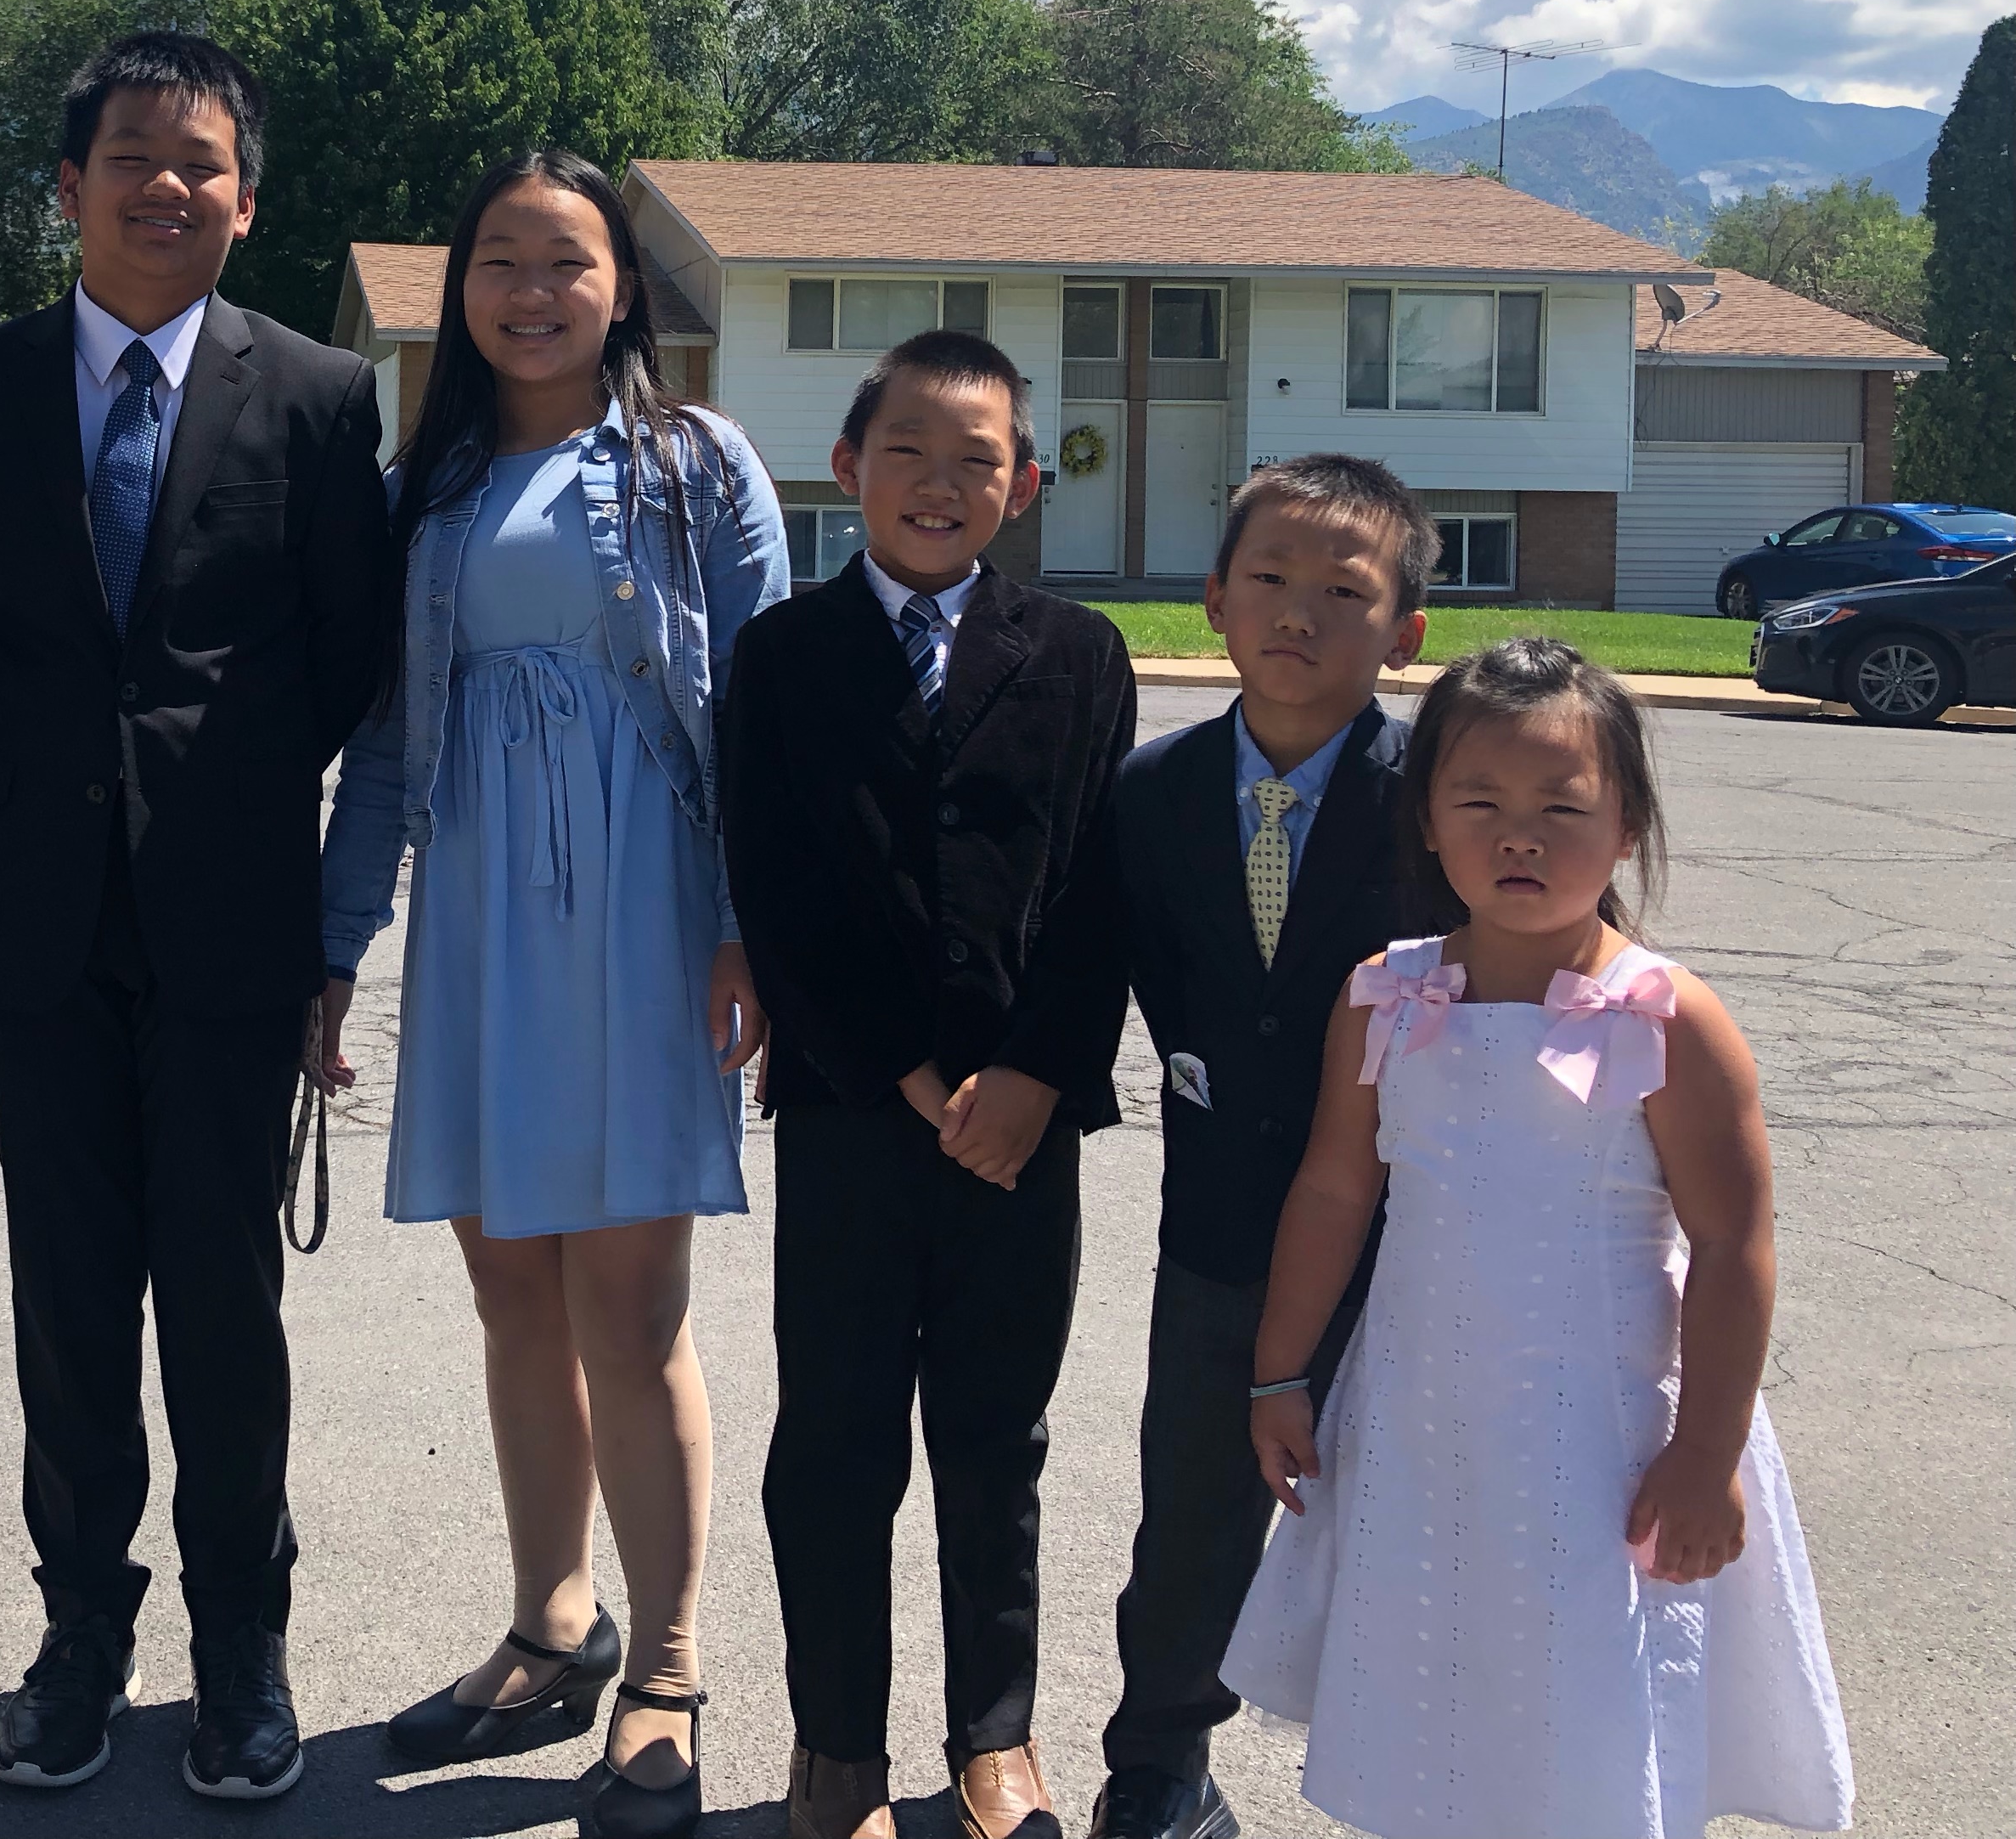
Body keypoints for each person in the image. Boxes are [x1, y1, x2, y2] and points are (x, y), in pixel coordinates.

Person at [0, 31, 390, 1804]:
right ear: (71, 185)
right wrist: (67, 768)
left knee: (225, 1300)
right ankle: (80, 1634)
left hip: (233, 921)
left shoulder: (318, 395)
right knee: (71, 1296)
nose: (165, 185)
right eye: (130, 157)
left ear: (247, 198)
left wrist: (211, 786)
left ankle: (242, 1647)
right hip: (35, 919)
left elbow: (346, 648)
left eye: (201, 161)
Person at [320, 152, 791, 1837]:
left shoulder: (695, 462)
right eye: (499, 261)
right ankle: (553, 1623)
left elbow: (764, 716)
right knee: (512, 1289)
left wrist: (748, 930)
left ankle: (666, 1665)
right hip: (478, 920)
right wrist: (334, 946)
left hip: (649, 916)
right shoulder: (425, 487)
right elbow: (385, 744)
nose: (531, 292)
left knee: (631, 1303)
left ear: (623, 287)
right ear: (459, 288)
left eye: (566, 261)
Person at [1224, 639, 1854, 1838]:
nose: (1521, 839)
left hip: (1604, 1437)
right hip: (1423, 1418)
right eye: (1481, 804)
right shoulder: (1387, 993)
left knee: (1582, 1692)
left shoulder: (1666, 1016)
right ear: (1428, 823)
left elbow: (1733, 1243)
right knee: (1439, 1676)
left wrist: (1706, 1451)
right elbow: (1335, 1191)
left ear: (1626, 828)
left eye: (1562, 809)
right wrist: (1279, 1372)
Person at [718, 330, 1138, 1839]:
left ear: (1022, 485)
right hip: (852, 1113)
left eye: (978, 460)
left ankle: (995, 1735)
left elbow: (1101, 889)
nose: (940, 483)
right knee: (834, 1437)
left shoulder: (1079, 656)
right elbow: (778, 888)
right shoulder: (783, 653)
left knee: (993, 1436)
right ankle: (836, 1742)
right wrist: (903, 1073)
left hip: (1024, 1129)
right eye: (908, 450)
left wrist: (1033, 1075)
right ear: (849, 468)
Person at [1086, 455, 1437, 1839]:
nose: (1300, 613)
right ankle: (1160, 1763)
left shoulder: (1443, 802)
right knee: (1194, 1511)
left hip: (1421, 1231)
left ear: (1405, 632)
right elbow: (1107, 984)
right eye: (1271, 580)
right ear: (1215, 599)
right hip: (1222, 1230)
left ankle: (1452, 1769)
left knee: (1429, 1508)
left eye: (1345, 593)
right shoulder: (1149, 794)